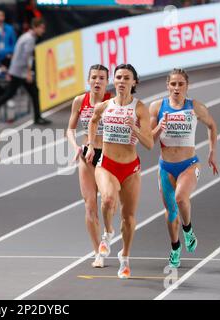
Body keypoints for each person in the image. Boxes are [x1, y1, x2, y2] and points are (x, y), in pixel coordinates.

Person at [86, 64, 154, 279]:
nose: (122, 81)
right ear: (114, 81)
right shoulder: (104, 106)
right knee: (107, 200)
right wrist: (89, 144)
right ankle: (107, 233)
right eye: (118, 77)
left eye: (126, 78)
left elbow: (150, 144)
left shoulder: (140, 108)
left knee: (129, 217)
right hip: (106, 165)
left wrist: (134, 127)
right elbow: (93, 122)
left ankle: (124, 257)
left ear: (134, 82)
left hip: (131, 168)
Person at [149, 68, 218, 268]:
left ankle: (188, 230)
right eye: (173, 84)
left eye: (181, 84)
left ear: (187, 86)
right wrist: (159, 127)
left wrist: (212, 152)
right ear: (167, 85)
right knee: (171, 212)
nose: (177, 88)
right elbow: (150, 142)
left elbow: (212, 126)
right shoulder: (157, 107)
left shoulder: (195, 107)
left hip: (189, 164)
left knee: (180, 198)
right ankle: (175, 247)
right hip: (166, 167)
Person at [66, 64, 112, 268]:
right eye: (94, 77)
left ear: (107, 81)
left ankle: (108, 231)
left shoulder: (113, 102)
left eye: (102, 78)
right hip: (87, 155)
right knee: (89, 204)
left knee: (109, 202)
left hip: (109, 156)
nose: (97, 81)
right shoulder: (79, 101)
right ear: (88, 80)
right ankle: (97, 253)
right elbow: (69, 129)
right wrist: (75, 146)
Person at [0, 17, 51, 125]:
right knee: (13, 94)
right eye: (41, 28)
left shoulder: (27, 36)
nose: (43, 30)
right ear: (35, 27)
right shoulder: (30, 39)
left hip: (18, 71)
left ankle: (37, 117)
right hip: (20, 72)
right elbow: (26, 57)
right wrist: (28, 73)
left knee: (26, 93)